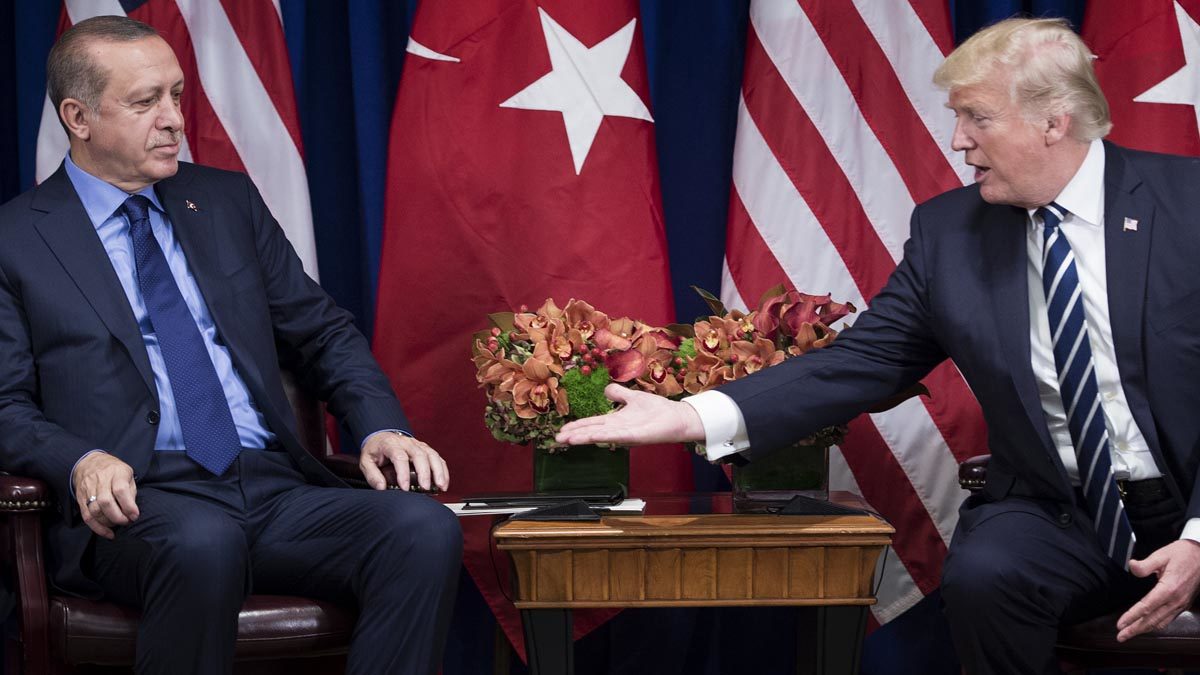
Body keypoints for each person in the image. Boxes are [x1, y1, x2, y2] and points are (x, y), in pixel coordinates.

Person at [558, 17, 1200, 675]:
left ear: (1053, 123)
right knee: (984, 576)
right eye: (957, 117)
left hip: (1188, 501)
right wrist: (691, 416)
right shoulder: (951, 233)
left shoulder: (1188, 206)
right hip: (1057, 512)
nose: (959, 140)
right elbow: (861, 361)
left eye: (978, 118)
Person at [0, 15, 461, 675]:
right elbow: (6, 405)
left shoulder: (225, 202)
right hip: (137, 504)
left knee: (422, 529)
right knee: (203, 542)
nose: (173, 119)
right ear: (78, 117)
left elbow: (322, 332)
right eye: (145, 102)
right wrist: (79, 460)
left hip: (270, 487)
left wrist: (380, 426)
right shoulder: (17, 240)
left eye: (176, 94)